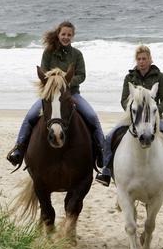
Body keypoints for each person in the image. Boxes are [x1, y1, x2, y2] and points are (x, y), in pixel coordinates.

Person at [6, 20, 106, 168]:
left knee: (91, 116)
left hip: (72, 94)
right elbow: (45, 74)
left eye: (69, 35)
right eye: (63, 34)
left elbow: (82, 75)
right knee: (30, 116)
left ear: (73, 36)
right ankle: (18, 150)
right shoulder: (48, 52)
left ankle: (102, 151)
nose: (66, 37)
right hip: (51, 95)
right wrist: (57, 82)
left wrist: (64, 83)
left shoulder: (77, 54)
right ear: (58, 34)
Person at [96, 45, 163, 195]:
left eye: (144, 58)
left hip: (154, 119)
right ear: (136, 61)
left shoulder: (159, 77)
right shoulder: (129, 78)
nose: (142, 61)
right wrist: (132, 112)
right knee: (110, 137)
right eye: (139, 59)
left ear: (150, 59)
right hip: (133, 118)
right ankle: (106, 171)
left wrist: (155, 112)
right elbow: (124, 100)